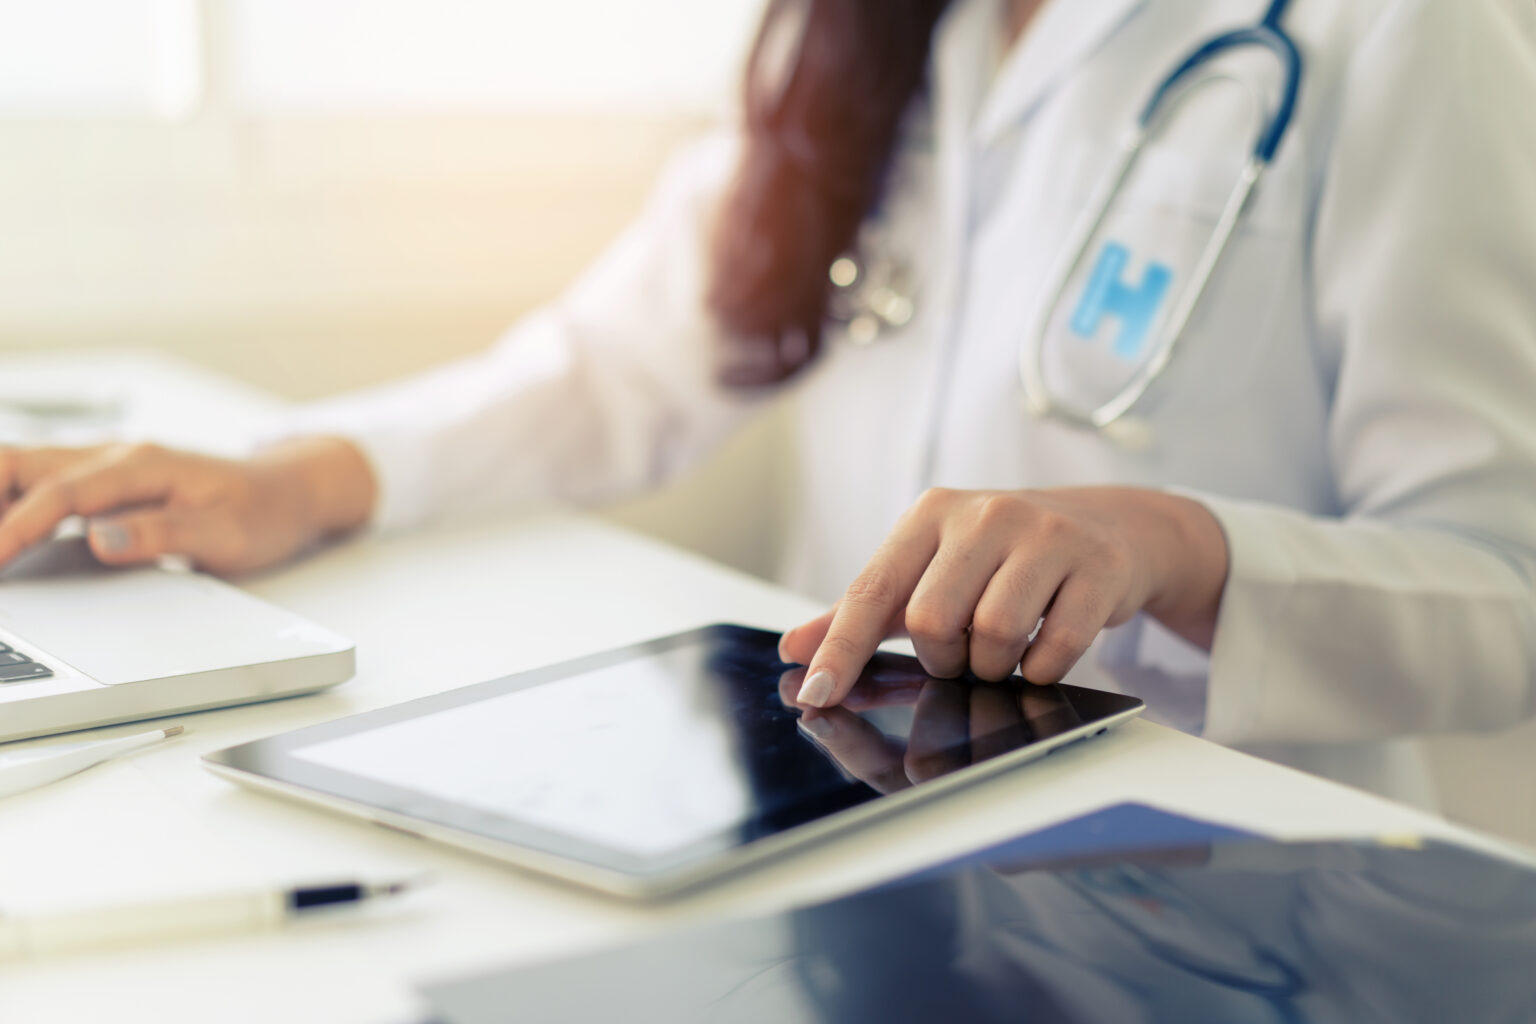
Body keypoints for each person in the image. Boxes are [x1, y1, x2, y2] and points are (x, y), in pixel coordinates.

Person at [0, 0, 1533, 806]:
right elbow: (622, 362)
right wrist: (301, 475)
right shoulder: (863, 33)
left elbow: (1508, 589)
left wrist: (1181, 547)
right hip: (861, 803)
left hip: (1218, 849)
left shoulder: (1404, 28)